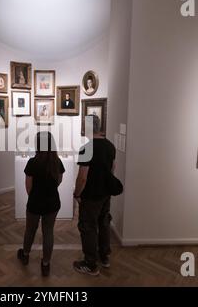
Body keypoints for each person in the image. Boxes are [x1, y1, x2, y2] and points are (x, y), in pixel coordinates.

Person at [17, 132, 65, 277]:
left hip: (35, 202)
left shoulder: (32, 162)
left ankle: (25, 255)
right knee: (48, 232)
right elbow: (59, 181)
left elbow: (28, 186)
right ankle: (45, 264)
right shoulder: (57, 162)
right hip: (52, 202)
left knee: (30, 230)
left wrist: (35, 197)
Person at [73, 115, 116, 276]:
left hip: (91, 196)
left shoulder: (86, 148)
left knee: (88, 226)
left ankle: (90, 264)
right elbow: (112, 168)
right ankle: (104, 257)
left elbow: (82, 177)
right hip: (106, 194)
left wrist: (77, 194)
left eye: (84, 125)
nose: (83, 128)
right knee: (104, 223)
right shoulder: (110, 146)